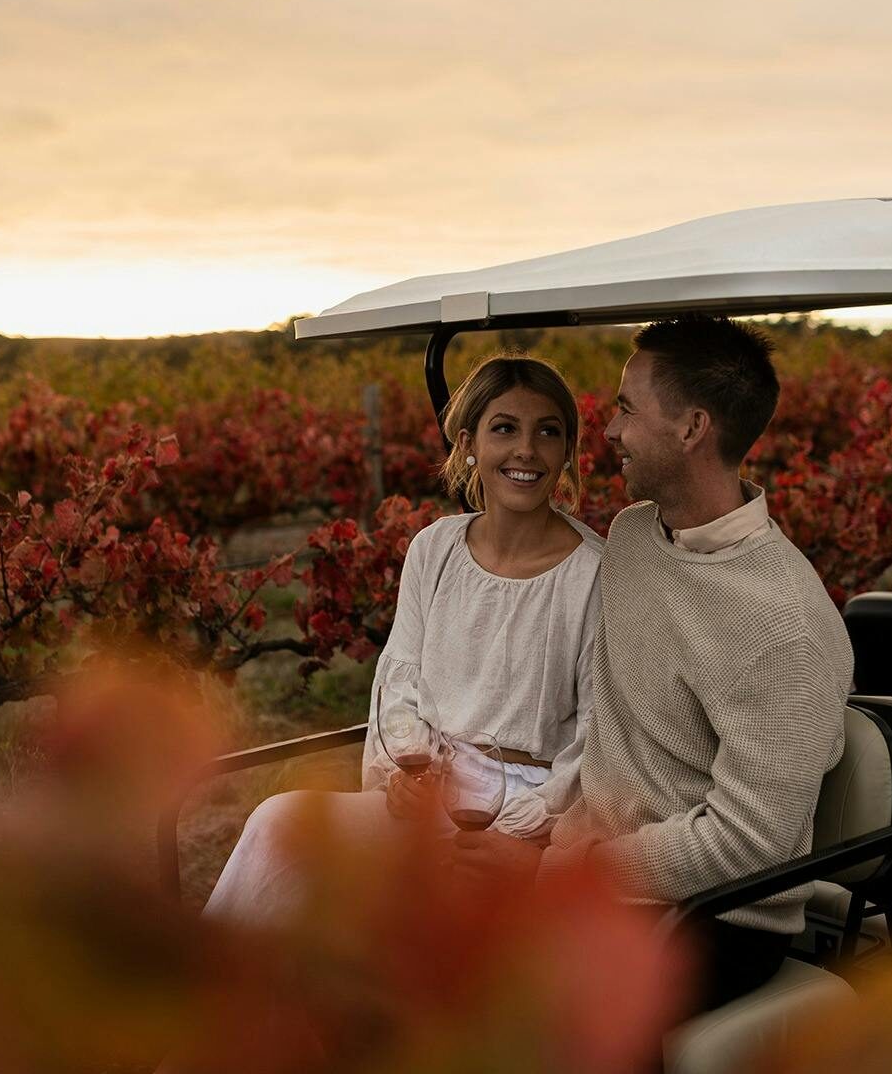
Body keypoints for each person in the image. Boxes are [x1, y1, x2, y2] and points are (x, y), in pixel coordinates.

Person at [454, 315, 855, 1017]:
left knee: (508, 1008)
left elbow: (748, 845)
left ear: (692, 428)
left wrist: (563, 874)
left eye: (625, 409)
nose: (606, 432)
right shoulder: (635, 537)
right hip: (597, 872)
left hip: (713, 917)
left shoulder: (784, 625)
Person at [201, 354, 603, 925]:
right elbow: (400, 682)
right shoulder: (434, 550)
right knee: (280, 824)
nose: (527, 451)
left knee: (403, 918)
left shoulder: (594, 574)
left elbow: (595, 740)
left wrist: (515, 829)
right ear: (469, 444)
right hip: (435, 789)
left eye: (548, 432)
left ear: (567, 451)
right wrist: (407, 779)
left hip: (533, 810)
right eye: (505, 428)